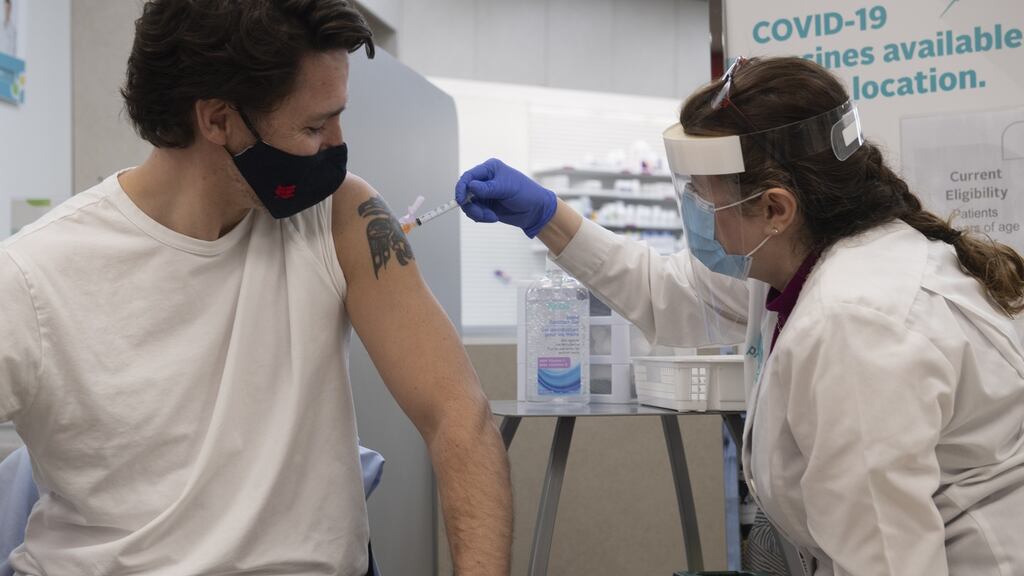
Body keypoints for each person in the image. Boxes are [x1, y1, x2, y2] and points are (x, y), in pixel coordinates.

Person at [456, 56, 1024, 575]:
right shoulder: (804, 266)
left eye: (704, 197)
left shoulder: (856, 322)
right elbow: (668, 291)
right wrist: (548, 217)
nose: (695, 212)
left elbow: (881, 561)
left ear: (775, 208)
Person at [0, 1, 512, 574]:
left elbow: (457, 416)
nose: (336, 145)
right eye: (314, 126)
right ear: (218, 120)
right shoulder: (32, 279)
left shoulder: (339, 216)